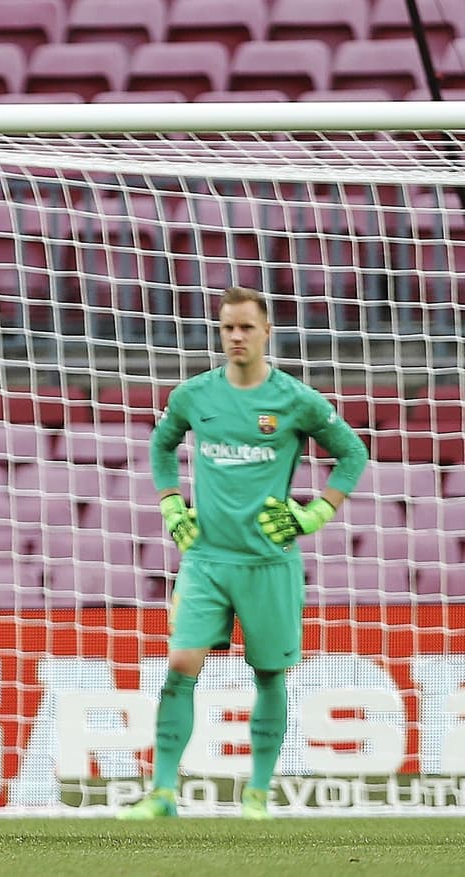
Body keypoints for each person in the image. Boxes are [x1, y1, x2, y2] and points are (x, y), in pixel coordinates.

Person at [118, 285, 368, 821]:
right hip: (206, 560)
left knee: (269, 675)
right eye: (228, 327)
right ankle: (162, 792)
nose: (236, 336)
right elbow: (162, 445)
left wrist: (316, 513)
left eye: (246, 327)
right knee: (181, 663)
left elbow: (352, 453)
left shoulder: (296, 400)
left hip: (269, 563)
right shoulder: (194, 395)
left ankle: (257, 793)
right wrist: (170, 504)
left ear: (266, 331)